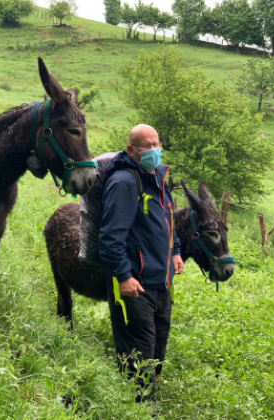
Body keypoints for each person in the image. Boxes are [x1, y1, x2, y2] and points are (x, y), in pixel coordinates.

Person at [98, 124, 184, 402]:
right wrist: (123, 276)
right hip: (135, 285)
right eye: (146, 146)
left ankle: (144, 402)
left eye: (156, 144)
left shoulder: (159, 176)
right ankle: (140, 409)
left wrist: (176, 251)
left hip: (162, 282)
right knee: (139, 358)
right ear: (131, 150)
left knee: (156, 354)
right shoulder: (124, 182)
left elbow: (167, 219)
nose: (154, 150)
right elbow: (110, 238)